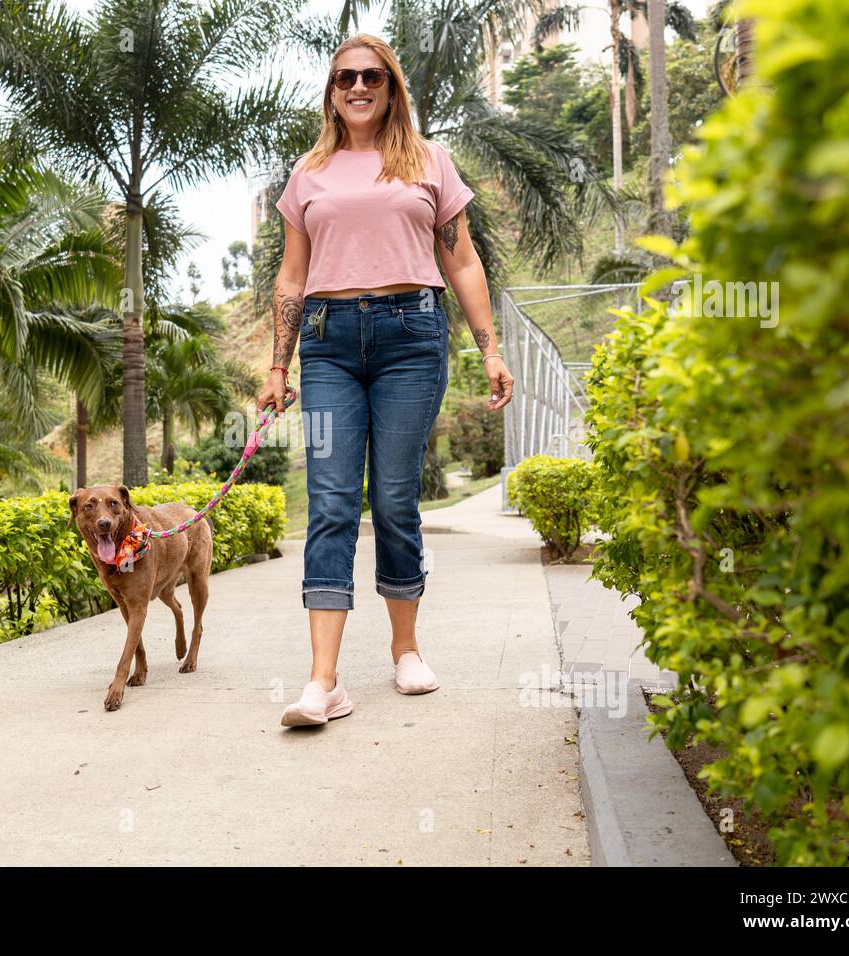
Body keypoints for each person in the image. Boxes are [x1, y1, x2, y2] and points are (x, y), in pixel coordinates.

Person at [256, 33, 514, 728]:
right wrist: (278, 365)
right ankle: (323, 682)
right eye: (346, 79)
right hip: (328, 344)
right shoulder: (309, 172)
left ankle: (405, 649)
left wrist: (489, 349)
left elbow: (462, 262)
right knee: (332, 501)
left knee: (396, 498)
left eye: (373, 76)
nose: (359, 87)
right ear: (332, 92)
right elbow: (292, 276)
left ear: (392, 86)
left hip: (412, 336)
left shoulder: (429, 161)